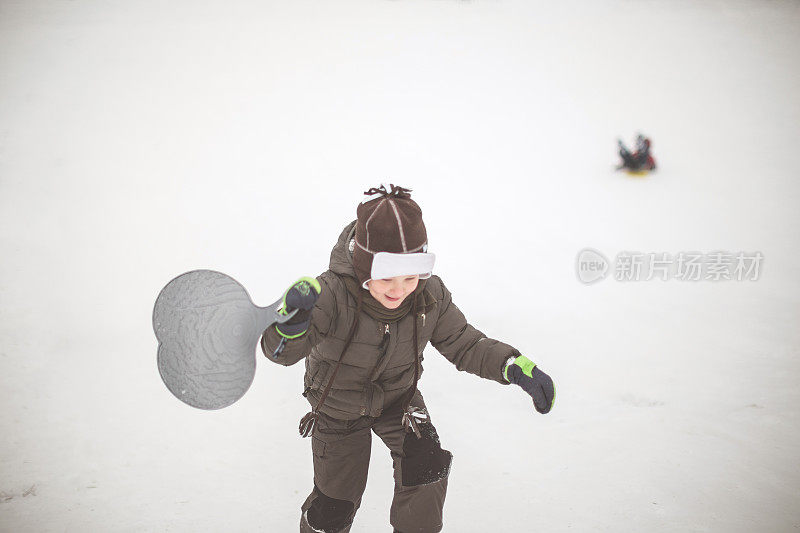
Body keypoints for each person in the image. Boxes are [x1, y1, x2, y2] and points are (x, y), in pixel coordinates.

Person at [261, 184, 555, 533]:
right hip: (337, 406)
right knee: (334, 507)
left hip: (399, 399)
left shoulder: (429, 296)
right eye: (386, 277)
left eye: (411, 277)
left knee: (426, 465)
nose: (399, 290)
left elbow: (464, 342)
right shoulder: (330, 295)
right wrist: (290, 327)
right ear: (363, 265)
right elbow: (278, 352)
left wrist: (512, 366)